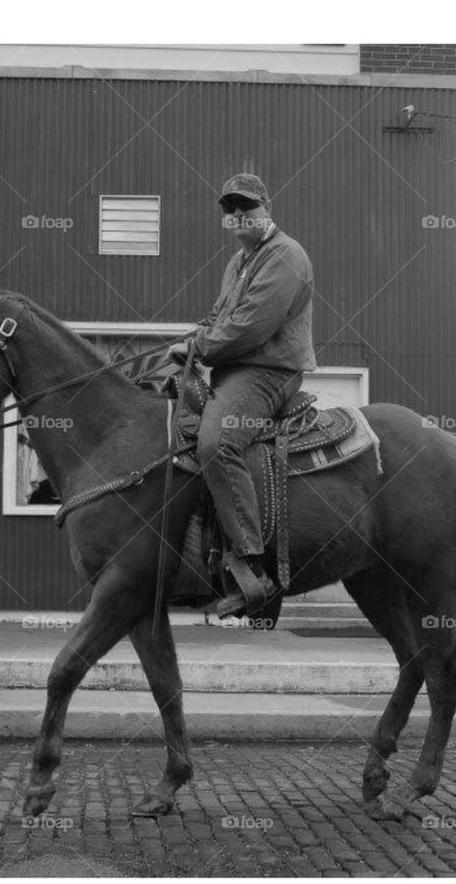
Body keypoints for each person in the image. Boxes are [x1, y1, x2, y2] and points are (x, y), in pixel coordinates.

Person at [168, 174, 315, 616]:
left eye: (247, 206)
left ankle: (251, 565)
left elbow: (251, 326)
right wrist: (190, 339)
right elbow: (218, 317)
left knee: (217, 442)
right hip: (233, 369)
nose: (238, 215)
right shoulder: (237, 262)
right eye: (230, 209)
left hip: (269, 371)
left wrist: (200, 346)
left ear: (266, 208)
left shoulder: (285, 255)